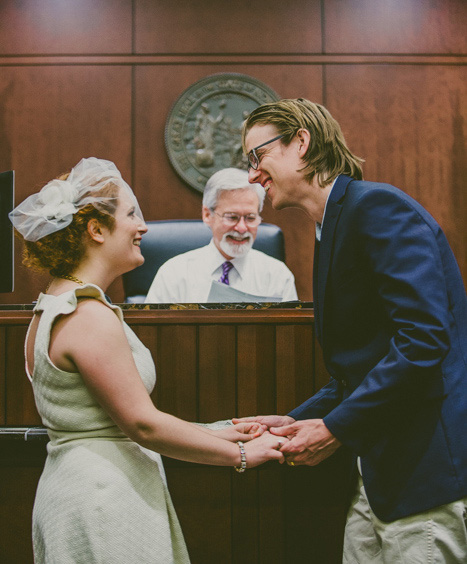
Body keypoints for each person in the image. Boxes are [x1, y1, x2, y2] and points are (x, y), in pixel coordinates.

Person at [9, 157, 284, 564]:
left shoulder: (56, 303)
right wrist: (241, 455)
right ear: (96, 229)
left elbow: (114, 421)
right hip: (101, 498)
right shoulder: (87, 315)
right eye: (132, 214)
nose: (143, 227)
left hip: (91, 486)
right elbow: (142, 424)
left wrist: (229, 430)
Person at [236, 99, 467, 563]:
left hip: (424, 475)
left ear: (301, 141)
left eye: (257, 156)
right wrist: (296, 418)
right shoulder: (333, 222)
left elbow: (423, 341)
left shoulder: (376, 207)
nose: (252, 175)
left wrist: (335, 429)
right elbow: (361, 368)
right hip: (378, 470)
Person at [145, 167, 297, 303]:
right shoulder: (174, 273)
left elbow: (287, 333)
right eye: (232, 217)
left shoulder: (277, 275)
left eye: (250, 218)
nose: (242, 228)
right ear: (207, 215)